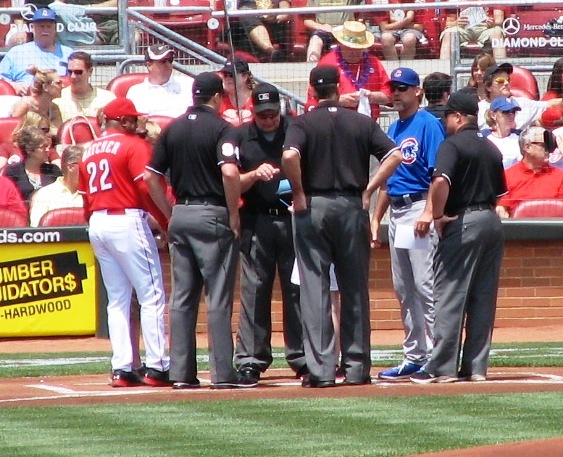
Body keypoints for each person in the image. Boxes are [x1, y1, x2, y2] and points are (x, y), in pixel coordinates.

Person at [282, 65, 402, 387]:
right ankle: (357, 367)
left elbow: (290, 156)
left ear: (312, 90)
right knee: (355, 288)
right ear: (338, 87)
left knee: (314, 289)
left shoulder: (303, 122)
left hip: (314, 207)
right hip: (351, 206)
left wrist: (298, 192)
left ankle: (321, 371)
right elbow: (394, 155)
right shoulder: (361, 121)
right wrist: (369, 189)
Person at [144, 72, 255, 390]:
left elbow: (151, 177)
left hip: (181, 213)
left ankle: (181, 373)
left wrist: (168, 214)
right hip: (213, 215)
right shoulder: (223, 128)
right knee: (218, 297)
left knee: (182, 297)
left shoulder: (173, 128)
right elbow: (231, 172)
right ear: (218, 97)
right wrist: (234, 213)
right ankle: (222, 373)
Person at [410, 91, 506, 384]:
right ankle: (476, 368)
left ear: (458, 117)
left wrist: (436, 215)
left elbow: (440, 181)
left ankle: (441, 368)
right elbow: (501, 194)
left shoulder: (451, 145)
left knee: (450, 295)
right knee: (482, 298)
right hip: (491, 221)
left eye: (448, 117)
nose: (445, 122)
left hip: (464, 221)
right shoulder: (491, 147)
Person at [77, 97, 171, 388]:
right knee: (152, 295)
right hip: (125, 219)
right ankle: (157, 366)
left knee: (117, 299)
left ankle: (122, 368)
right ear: (126, 121)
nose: (136, 125)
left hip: (97, 221)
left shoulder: (87, 149)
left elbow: (83, 197)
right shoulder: (133, 145)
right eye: (133, 120)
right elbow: (145, 187)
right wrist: (165, 221)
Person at [371, 68, 444, 381]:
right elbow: (390, 181)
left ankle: (437, 357)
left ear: (418, 92)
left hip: (418, 209)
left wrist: (429, 212)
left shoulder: (428, 124)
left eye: (402, 87)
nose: (395, 93)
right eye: (393, 88)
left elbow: (438, 173)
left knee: (425, 286)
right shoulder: (396, 127)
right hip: (398, 212)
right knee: (404, 289)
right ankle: (415, 356)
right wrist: (376, 216)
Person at [233, 82, 307, 384]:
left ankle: (303, 357)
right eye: (262, 115)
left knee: (298, 291)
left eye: (272, 114)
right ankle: (251, 359)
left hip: (292, 219)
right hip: (256, 219)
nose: (268, 120)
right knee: (254, 291)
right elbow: (228, 182)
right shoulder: (240, 137)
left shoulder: (296, 130)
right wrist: (252, 174)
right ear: (253, 112)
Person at [309, 21, 391, 119]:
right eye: (349, 48)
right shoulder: (327, 63)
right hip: (335, 123)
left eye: (358, 49)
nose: (353, 53)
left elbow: (389, 95)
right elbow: (313, 98)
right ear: (341, 44)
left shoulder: (374, 63)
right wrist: (337, 100)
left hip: (367, 125)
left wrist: (372, 97)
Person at [0, 8, 73, 96]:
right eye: (41, 26)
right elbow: (1, 79)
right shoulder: (16, 52)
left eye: (49, 26)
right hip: (23, 99)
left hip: (58, 100)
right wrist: (14, 85)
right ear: (32, 28)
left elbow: (77, 79)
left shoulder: (68, 53)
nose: (45, 30)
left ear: (55, 29)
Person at [496, 126, 563, 218]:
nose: (550, 150)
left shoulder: (559, 176)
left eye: (551, 145)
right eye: (544, 145)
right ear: (527, 147)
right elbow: (501, 208)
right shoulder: (507, 176)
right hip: (519, 229)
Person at [478, 63, 562, 131]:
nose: (506, 83)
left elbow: (550, 104)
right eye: (501, 80)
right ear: (489, 87)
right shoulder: (481, 108)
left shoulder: (521, 103)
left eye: (508, 80)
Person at [126, 44, 194, 118]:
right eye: (163, 61)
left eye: (170, 60)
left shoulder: (189, 84)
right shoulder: (136, 92)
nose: (168, 65)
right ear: (149, 65)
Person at [29, 144, 84, 227]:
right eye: (86, 165)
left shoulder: (94, 194)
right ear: (71, 167)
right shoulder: (44, 195)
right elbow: (37, 231)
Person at [4, 126, 62, 203]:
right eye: (43, 147)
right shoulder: (13, 172)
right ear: (30, 150)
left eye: (47, 146)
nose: (47, 150)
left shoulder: (53, 170)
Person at [54, 51, 116, 122]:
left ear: (90, 71)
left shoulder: (107, 99)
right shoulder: (57, 99)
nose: (73, 76)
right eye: (70, 72)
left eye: (78, 72)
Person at [439, 1, 506, 60]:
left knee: (498, 32)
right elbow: (449, 23)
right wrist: (456, 23)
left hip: (486, 28)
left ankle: (501, 71)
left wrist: (492, 23)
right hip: (463, 28)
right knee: (448, 33)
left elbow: (499, 20)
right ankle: (444, 71)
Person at [10, 67, 63, 131]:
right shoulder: (24, 105)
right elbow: (12, 132)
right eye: (58, 83)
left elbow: (58, 132)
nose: (63, 86)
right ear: (45, 87)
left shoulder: (54, 108)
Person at [481, 97, 522, 169]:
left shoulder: (521, 136)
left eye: (513, 112)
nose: (511, 115)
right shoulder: (483, 138)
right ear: (493, 115)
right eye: (506, 112)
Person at [218, 56, 256, 126]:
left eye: (231, 75)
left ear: (245, 76)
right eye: (225, 75)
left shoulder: (256, 99)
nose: (227, 79)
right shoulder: (219, 99)